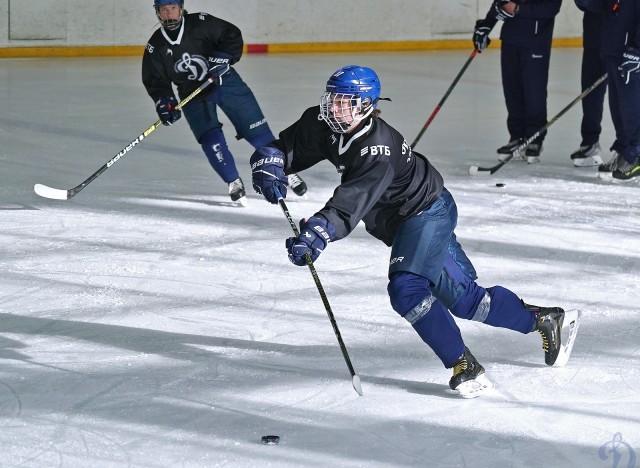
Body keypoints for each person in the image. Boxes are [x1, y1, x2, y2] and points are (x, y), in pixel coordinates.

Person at [249, 65, 580, 398]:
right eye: (332, 98)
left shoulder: (376, 148)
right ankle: (545, 320)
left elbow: (349, 204)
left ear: (365, 105)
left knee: (407, 289)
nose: (334, 107)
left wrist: (317, 232)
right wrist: (270, 162)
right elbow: (286, 148)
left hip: (427, 213)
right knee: (466, 301)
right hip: (402, 222)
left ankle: (464, 365)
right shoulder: (321, 123)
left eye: (345, 101)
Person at [141, 0, 307, 206]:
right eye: (163, 10)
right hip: (192, 93)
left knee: (258, 132)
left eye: (172, 8)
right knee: (210, 139)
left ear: (181, 8)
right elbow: (155, 80)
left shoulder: (202, 23)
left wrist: (222, 58)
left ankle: (287, 172)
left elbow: (231, 35)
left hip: (225, 82)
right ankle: (233, 181)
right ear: (157, 12)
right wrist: (164, 102)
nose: (169, 14)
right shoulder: (155, 45)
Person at [473, 0, 562, 165]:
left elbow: (551, 8)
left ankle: (534, 138)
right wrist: (486, 25)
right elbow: (502, 2)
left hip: (536, 42)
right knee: (512, 91)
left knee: (534, 92)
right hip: (511, 39)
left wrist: (519, 8)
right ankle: (517, 137)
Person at [576, 0, 640, 180]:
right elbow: (601, 6)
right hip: (613, 49)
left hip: (630, 52)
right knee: (618, 108)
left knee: (632, 108)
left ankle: (636, 155)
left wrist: (637, 51)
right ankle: (624, 152)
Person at [570, 8, 607, 167]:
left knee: (623, 100)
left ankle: (629, 149)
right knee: (590, 94)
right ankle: (590, 142)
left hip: (623, 43)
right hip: (594, 39)